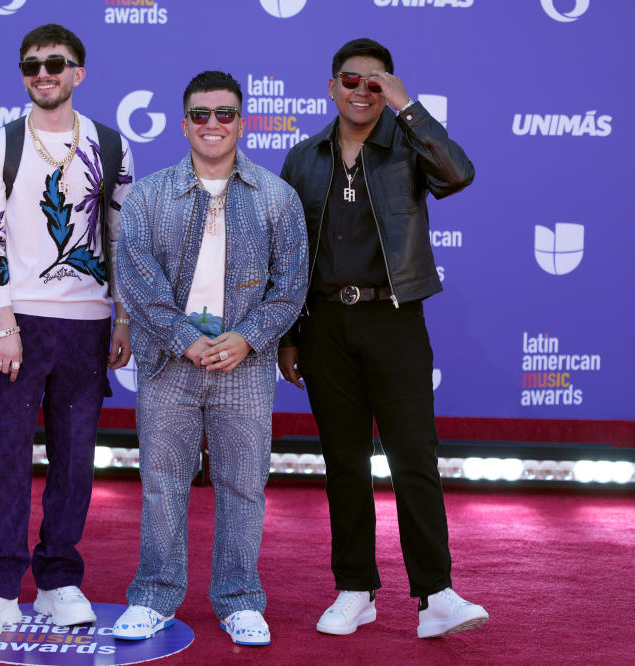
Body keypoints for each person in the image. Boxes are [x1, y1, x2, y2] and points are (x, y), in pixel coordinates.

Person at [278, 38, 488, 639]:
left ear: (389, 89)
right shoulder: (304, 158)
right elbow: (291, 258)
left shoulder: (408, 147)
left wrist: (409, 107)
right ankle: (354, 590)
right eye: (351, 80)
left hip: (394, 320)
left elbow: (460, 173)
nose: (361, 92)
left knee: (413, 458)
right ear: (330, 86)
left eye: (375, 83)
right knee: (344, 462)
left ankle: (437, 595)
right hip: (323, 327)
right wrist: (291, 337)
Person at [112, 71, 308, 647]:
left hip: (243, 365)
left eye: (225, 114)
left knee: (244, 484)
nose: (213, 124)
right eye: (201, 115)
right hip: (170, 364)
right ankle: (153, 596)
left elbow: (290, 285)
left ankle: (240, 599)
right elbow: (137, 277)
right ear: (184, 124)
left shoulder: (277, 196)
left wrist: (247, 338)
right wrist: (183, 338)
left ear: (242, 123)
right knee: (162, 483)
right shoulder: (148, 195)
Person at [0, 24, 134, 637]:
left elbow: (123, 242)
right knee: (3, 454)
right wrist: (2, 320)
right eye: (31, 65)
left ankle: (60, 579)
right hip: (18, 322)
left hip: (87, 325)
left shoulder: (112, 147)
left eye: (55, 63)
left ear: (78, 72)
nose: (43, 73)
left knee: (75, 459)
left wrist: (124, 317)